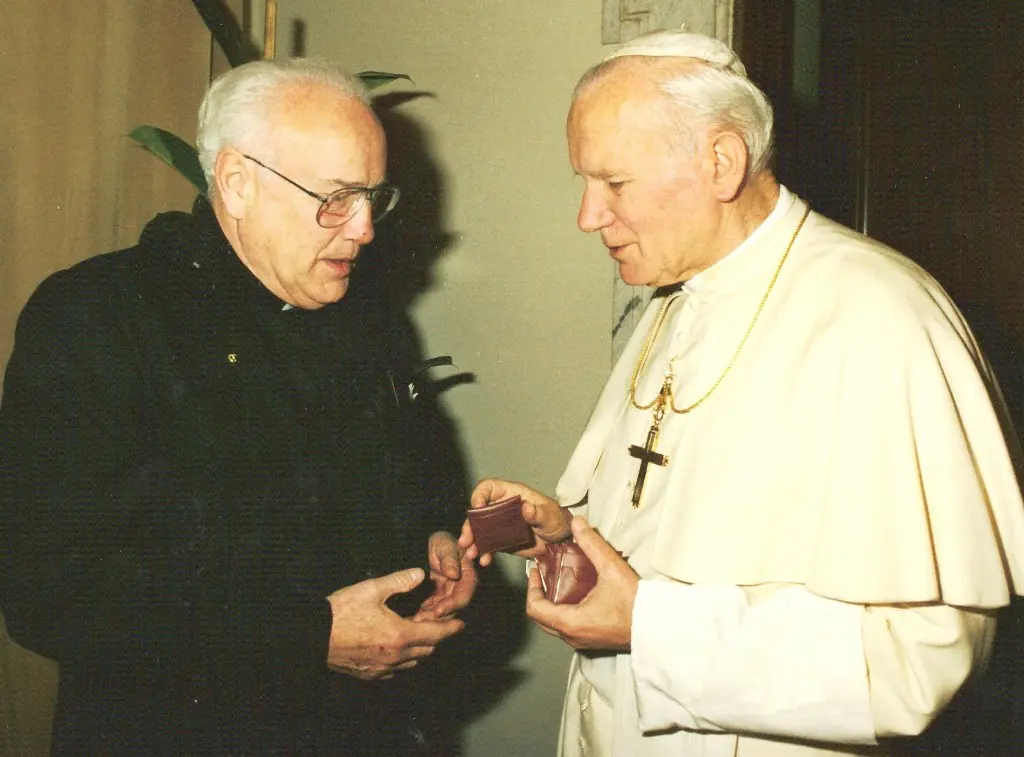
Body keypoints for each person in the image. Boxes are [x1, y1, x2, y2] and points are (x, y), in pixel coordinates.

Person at [461, 30, 1024, 757]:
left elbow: (920, 664)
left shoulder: (880, 315)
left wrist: (649, 626)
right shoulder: (677, 298)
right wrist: (568, 535)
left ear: (721, 162)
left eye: (614, 183)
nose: (588, 216)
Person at [0, 58, 476, 755]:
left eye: (374, 197)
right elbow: (49, 593)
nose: (365, 229)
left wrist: (435, 539)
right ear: (236, 182)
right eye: (337, 198)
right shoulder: (99, 318)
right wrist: (307, 637)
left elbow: (413, 468)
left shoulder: (366, 318)